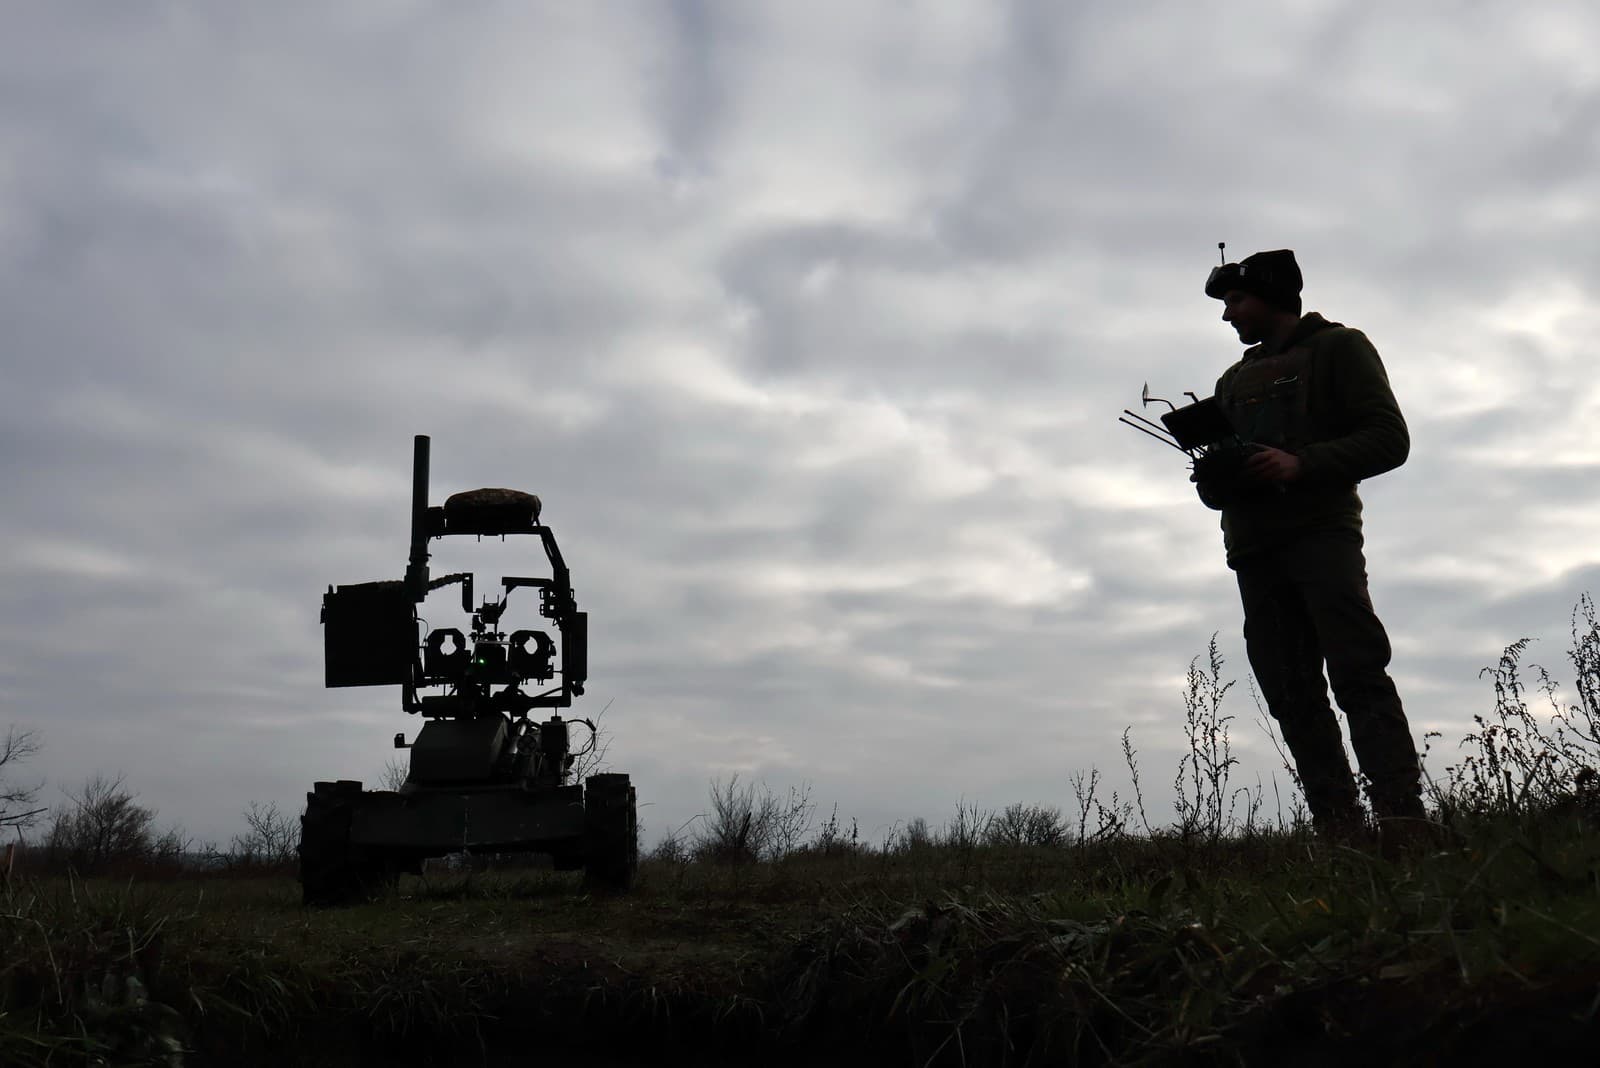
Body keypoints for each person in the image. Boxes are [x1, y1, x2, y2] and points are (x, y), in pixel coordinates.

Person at [1193, 248, 1426, 841]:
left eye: (1236, 302)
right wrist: (1216, 478)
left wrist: (1301, 465)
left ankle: (1402, 823)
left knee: (1358, 673)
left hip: (1322, 538)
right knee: (1291, 693)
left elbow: (1388, 439)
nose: (1228, 317)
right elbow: (1221, 487)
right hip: (1253, 552)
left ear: (1271, 296)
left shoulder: (1340, 349)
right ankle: (1341, 833)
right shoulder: (1232, 380)